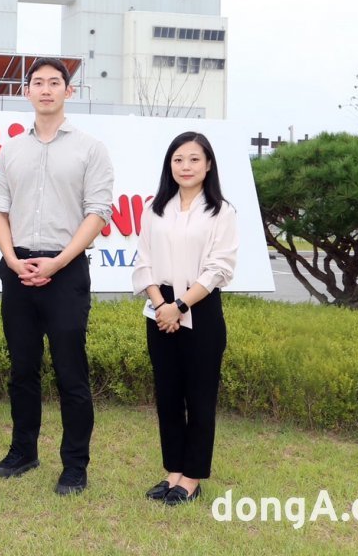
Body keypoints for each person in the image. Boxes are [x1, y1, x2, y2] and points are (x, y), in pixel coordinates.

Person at [0, 56, 114, 495]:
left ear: (68, 92)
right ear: (27, 91)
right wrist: (12, 259)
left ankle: (75, 465)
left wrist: (58, 263)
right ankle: (24, 451)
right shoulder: (11, 150)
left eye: (54, 83)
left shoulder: (90, 149)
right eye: (37, 82)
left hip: (67, 271)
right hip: (18, 268)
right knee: (22, 370)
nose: (45, 89)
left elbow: (98, 213)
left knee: (70, 372)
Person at [132, 131, 238, 506]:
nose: (186, 166)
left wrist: (179, 307)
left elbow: (219, 268)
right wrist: (162, 305)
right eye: (178, 159)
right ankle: (172, 471)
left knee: (200, 397)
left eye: (194, 159)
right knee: (168, 397)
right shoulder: (156, 209)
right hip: (158, 310)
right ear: (169, 165)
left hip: (200, 310)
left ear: (208, 164)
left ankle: (191, 478)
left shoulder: (221, 211)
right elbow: (143, 262)